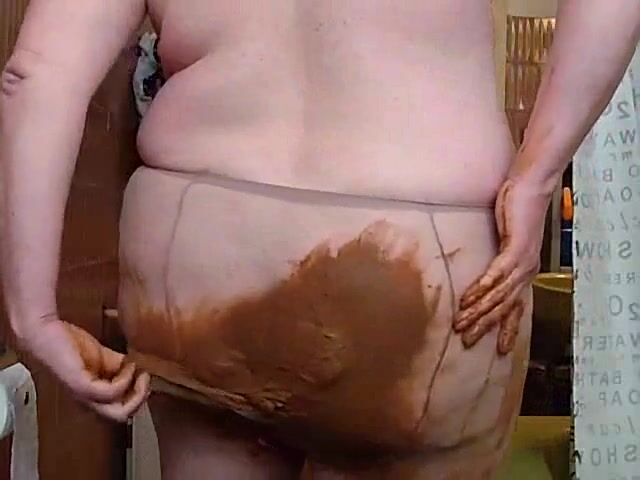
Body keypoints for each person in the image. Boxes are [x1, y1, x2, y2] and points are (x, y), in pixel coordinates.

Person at [1, 1, 639, 478]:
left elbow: (35, 76)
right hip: (417, 279)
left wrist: (33, 315)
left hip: (197, 269)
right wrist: (538, 174)